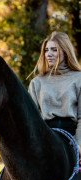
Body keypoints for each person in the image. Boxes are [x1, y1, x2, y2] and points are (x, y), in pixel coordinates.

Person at [28, 31, 81, 164]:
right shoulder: (37, 82)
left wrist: (78, 144)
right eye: (46, 50)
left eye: (54, 50)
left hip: (71, 137)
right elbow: (30, 118)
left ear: (65, 51)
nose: (49, 54)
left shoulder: (78, 78)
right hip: (44, 137)